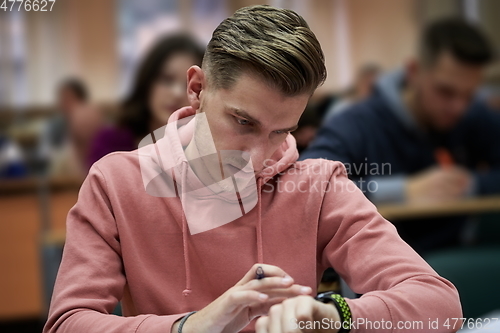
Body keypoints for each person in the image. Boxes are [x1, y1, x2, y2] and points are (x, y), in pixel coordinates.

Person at [44, 6, 461, 333]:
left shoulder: (318, 185)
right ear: (197, 89)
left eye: (281, 131)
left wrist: (333, 316)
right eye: (244, 123)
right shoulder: (115, 183)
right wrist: (192, 325)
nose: (259, 157)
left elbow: (440, 307)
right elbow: (68, 323)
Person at [301, 17, 500, 254]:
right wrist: (403, 191)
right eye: (445, 91)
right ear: (414, 72)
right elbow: (308, 187)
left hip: (457, 255)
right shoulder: (356, 123)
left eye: (469, 95)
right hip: (379, 266)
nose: (458, 107)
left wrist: (470, 184)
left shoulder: (473, 116)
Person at [87, 34, 205, 169]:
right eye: (167, 79)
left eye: (190, 85)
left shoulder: (207, 149)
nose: (177, 93)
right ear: (148, 81)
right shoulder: (111, 142)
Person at [39, 78, 103, 177]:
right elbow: (45, 155)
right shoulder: (54, 126)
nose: (64, 103)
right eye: (62, 99)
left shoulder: (99, 128)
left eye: (69, 99)